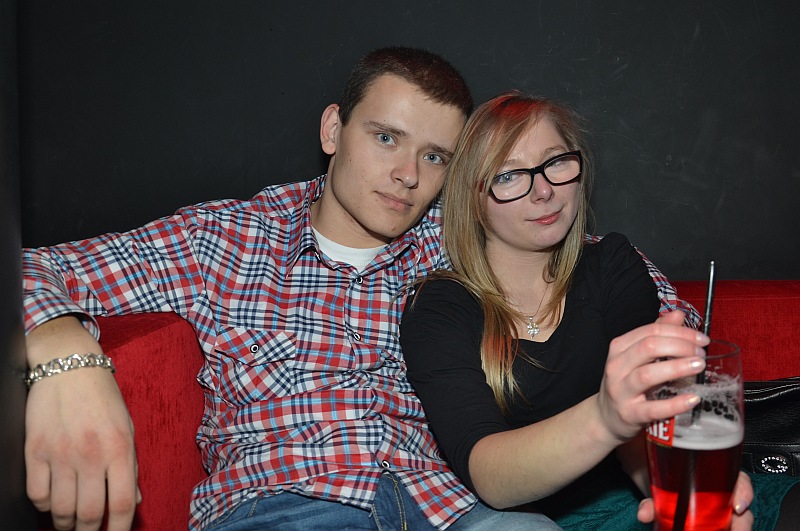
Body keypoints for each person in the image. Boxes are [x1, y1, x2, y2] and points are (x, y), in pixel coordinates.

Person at [24, 48, 697, 531]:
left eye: (434, 156)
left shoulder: (457, 240)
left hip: (445, 508)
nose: (408, 174)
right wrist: (66, 357)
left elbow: (601, 274)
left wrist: (668, 360)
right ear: (332, 130)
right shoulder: (226, 238)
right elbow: (31, 268)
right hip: (281, 505)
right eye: (386, 138)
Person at [400, 91, 758, 530]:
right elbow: (489, 475)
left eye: (555, 162)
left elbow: (646, 419)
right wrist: (605, 417)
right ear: (473, 198)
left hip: (627, 503)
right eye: (509, 175)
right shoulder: (440, 307)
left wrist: (680, 494)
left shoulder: (612, 265)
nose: (544, 190)